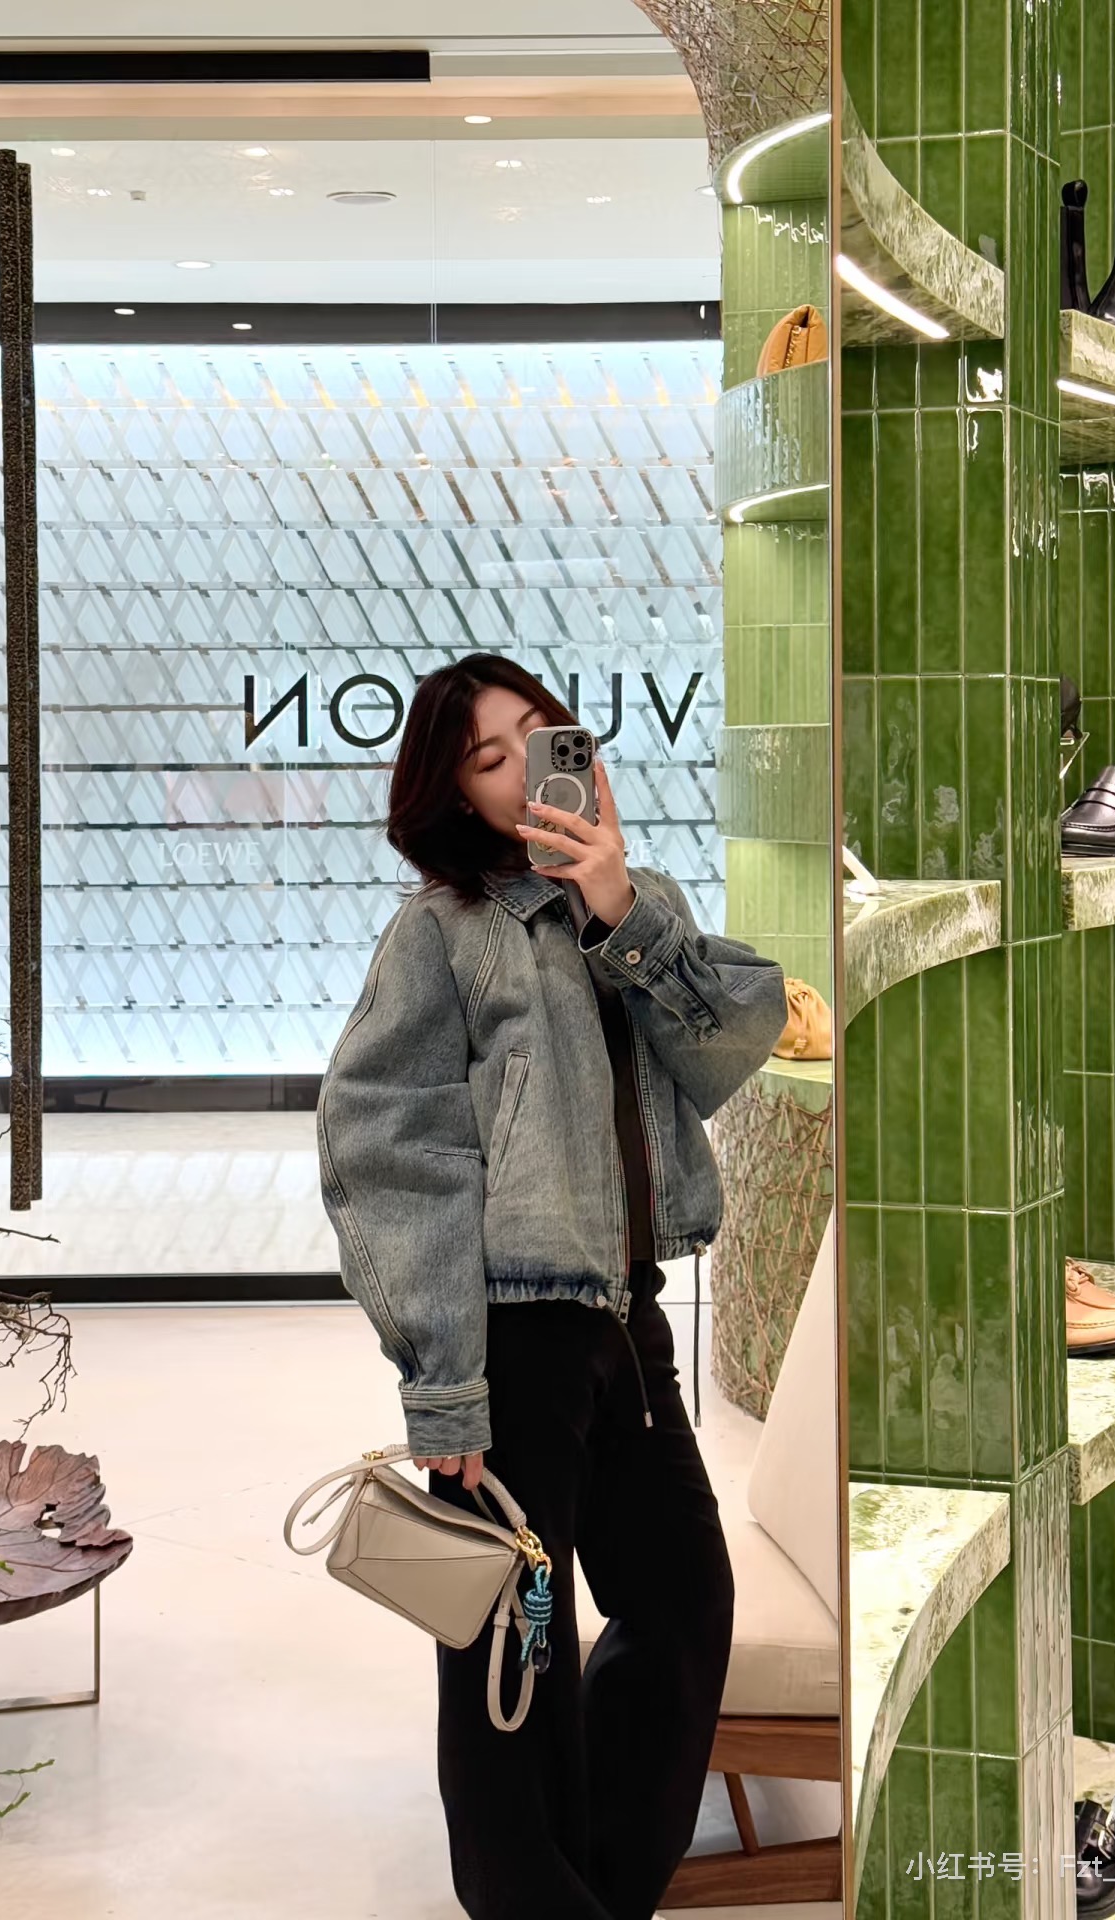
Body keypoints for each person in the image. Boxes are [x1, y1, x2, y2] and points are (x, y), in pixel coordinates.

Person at [316, 653, 790, 1920]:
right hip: (511, 1334)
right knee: (511, 1652)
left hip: (627, 1323)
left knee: (681, 1602)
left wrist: (620, 903)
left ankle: (601, 1890)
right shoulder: (445, 932)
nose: (523, 766)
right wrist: (443, 1386)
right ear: (455, 796)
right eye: (489, 755)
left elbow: (734, 1042)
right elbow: (389, 1150)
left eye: (539, 735)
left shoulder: (636, 906)